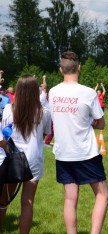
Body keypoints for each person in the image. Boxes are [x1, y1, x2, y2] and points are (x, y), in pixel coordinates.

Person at [49, 51, 108, 233]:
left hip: (63, 152)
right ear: (79, 68)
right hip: (85, 152)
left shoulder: (53, 92)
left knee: (70, 198)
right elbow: (101, 123)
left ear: (61, 70)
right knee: (102, 194)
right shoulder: (88, 93)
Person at [0, 75, 51, 233]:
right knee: (27, 202)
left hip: (12, 158)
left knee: (4, 200)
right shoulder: (44, 112)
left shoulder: (9, 109)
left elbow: (4, 134)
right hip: (33, 160)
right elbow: (46, 135)